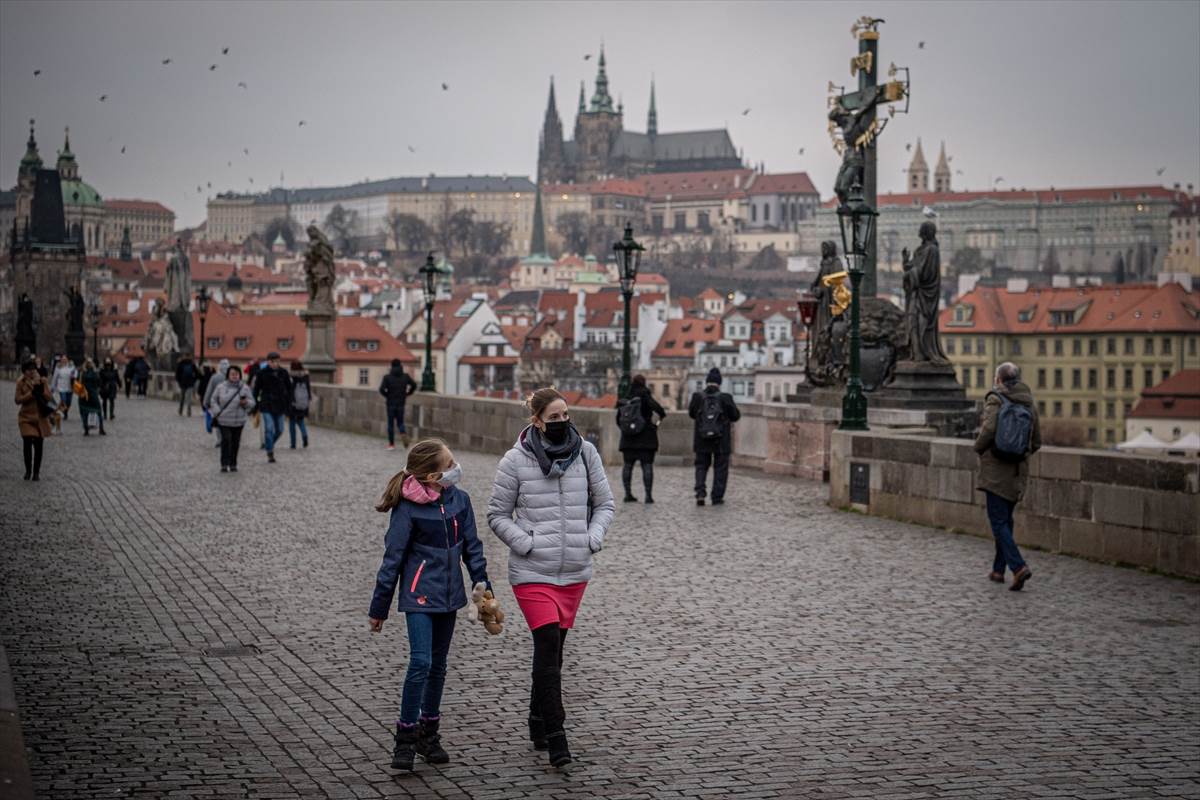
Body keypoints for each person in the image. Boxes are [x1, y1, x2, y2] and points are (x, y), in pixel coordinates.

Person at [487, 387, 615, 769]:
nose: (562, 422)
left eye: (565, 415)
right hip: (532, 572)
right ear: (537, 420)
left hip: (574, 570)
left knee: (554, 653)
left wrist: (591, 538)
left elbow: (605, 503)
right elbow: (496, 514)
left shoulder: (587, 453)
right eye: (554, 417)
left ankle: (537, 719)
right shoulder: (514, 461)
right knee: (545, 646)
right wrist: (526, 544)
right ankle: (558, 737)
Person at [368, 439, 490, 772]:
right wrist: (379, 609)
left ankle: (429, 735)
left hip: (449, 596)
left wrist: (485, 590)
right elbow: (392, 560)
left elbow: (473, 550)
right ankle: (404, 739)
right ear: (432, 476)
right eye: (449, 464)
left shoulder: (461, 501)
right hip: (419, 594)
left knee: (438, 665)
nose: (456, 468)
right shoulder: (408, 508)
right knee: (420, 662)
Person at [975, 362, 1041, 591]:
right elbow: (1036, 442)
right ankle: (997, 570)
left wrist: (979, 447)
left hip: (996, 472)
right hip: (1016, 473)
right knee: (1006, 521)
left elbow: (989, 430)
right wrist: (1018, 453)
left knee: (998, 521)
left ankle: (1018, 566)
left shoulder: (996, 399)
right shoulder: (1029, 403)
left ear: (1000, 380)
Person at [688, 368, 741, 506]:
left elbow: (692, 414)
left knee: (701, 466)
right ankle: (716, 497)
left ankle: (700, 493)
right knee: (721, 468)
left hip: (702, 438)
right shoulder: (725, 397)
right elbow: (735, 416)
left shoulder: (697, 397)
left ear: (707, 382)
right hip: (721, 440)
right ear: (719, 383)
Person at [615, 374, 667, 503]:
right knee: (647, 465)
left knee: (627, 466)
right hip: (646, 437)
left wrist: (627, 429)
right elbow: (659, 410)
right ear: (644, 383)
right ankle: (648, 496)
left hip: (628, 439)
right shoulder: (645, 396)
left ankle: (628, 494)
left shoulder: (626, 399)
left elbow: (618, 419)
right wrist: (658, 420)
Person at [209, 364, 255, 472]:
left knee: (235, 442)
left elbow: (252, 402)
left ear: (240, 375)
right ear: (228, 375)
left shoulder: (244, 388)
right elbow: (213, 400)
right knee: (226, 440)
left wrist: (246, 403)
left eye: (237, 374)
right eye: (232, 374)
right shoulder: (221, 387)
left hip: (238, 421)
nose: (235, 376)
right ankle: (224, 464)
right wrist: (217, 411)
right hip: (224, 420)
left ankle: (233, 463)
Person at [15, 359, 53, 480]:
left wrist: (40, 389)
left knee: (38, 445)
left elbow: (49, 397)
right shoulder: (20, 383)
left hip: (40, 418)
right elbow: (17, 400)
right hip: (26, 418)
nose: (32, 372)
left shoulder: (42, 380)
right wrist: (31, 394)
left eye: (33, 370)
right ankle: (28, 471)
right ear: (24, 372)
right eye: (29, 370)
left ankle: (36, 472)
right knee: (27, 443)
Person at [252, 351, 292, 464]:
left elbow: (289, 389)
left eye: (277, 361)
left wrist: (288, 403)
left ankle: (269, 444)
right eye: (273, 361)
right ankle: (270, 452)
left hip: (280, 404)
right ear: (268, 361)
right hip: (266, 404)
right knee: (269, 428)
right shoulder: (262, 373)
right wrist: (254, 405)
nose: (275, 364)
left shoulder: (283, 372)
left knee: (280, 430)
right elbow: (256, 390)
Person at [379, 358, 418, 450]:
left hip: (390, 403)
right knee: (400, 422)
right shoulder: (405, 376)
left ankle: (391, 444)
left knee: (390, 424)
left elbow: (381, 389)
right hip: (401, 402)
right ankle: (403, 433)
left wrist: (387, 395)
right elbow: (414, 385)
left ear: (391, 366)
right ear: (400, 366)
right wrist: (408, 393)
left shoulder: (387, 377)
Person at [203, 358, 231, 448]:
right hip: (230, 403)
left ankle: (220, 439)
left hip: (218, 403)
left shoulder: (215, 377)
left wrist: (206, 402)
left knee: (219, 422)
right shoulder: (233, 376)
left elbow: (209, 391)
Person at [78, 358, 106, 436]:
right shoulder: (93, 372)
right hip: (90, 394)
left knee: (85, 412)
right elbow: (99, 382)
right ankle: (100, 428)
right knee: (97, 411)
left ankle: (87, 429)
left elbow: (78, 381)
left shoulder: (82, 372)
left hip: (85, 394)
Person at [288, 360, 311, 449]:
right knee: (300, 421)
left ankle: (293, 444)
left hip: (293, 401)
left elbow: (288, 389)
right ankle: (304, 435)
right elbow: (308, 388)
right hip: (303, 402)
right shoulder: (306, 375)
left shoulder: (291, 376)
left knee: (292, 423)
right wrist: (308, 399)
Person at [50, 355, 76, 420]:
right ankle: (64, 413)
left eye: (65, 359)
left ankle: (65, 411)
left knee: (68, 402)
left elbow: (75, 374)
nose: (64, 360)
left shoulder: (71, 366)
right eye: (63, 359)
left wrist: (74, 375)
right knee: (63, 400)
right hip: (61, 387)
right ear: (61, 360)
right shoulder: (58, 367)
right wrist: (53, 387)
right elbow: (54, 377)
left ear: (67, 360)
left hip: (69, 387)